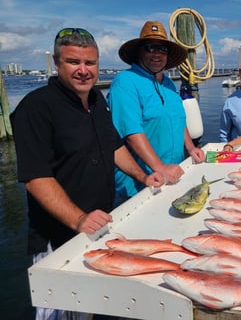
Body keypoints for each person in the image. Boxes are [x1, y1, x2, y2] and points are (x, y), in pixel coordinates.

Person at [10, 28, 164, 320]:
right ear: (57, 64)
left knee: (93, 308)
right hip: (59, 237)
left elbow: (114, 147)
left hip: (100, 226)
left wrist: (144, 177)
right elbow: (35, 177)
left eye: (90, 63)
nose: (83, 70)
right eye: (73, 62)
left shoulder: (97, 100)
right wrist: (78, 218)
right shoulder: (36, 107)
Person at [107, 21, 205, 202]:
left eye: (162, 49)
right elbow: (131, 132)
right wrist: (160, 167)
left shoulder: (168, 84)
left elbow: (178, 119)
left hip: (172, 174)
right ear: (139, 51)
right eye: (150, 48)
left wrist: (191, 147)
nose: (157, 54)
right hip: (139, 185)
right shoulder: (125, 82)